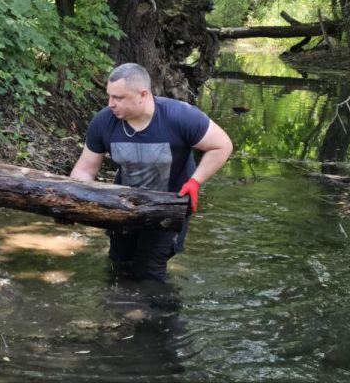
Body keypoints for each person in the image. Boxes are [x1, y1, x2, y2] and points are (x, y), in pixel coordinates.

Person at [70, 63, 232, 281]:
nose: (111, 104)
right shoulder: (104, 122)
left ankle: (157, 314)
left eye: (118, 98)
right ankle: (116, 313)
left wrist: (195, 182)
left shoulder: (179, 116)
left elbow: (222, 145)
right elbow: (84, 169)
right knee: (119, 266)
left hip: (167, 210)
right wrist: (75, 201)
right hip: (122, 208)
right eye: (109, 96)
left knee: (150, 275)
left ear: (143, 95)